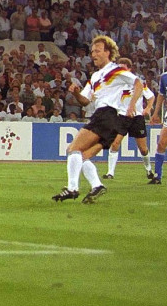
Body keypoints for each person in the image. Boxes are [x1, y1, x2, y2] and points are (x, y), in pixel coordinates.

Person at [55, 35, 134, 204]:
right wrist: (75, 92)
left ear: (108, 52)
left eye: (97, 50)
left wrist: (132, 105)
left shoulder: (116, 70)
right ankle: (97, 185)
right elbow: (84, 101)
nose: (93, 54)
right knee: (82, 156)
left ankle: (72, 188)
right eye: (92, 51)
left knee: (73, 149)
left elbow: (138, 84)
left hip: (107, 115)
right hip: (108, 119)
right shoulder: (95, 77)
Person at [103, 58, 154, 180]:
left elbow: (151, 96)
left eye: (123, 68)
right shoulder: (116, 83)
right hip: (121, 116)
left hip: (137, 117)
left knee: (143, 148)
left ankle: (149, 170)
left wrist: (147, 108)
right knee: (115, 143)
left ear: (129, 69)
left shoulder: (138, 82)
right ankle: (110, 172)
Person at [149, 52, 167, 185]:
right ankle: (158, 176)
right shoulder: (164, 77)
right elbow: (162, 96)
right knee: (161, 144)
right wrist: (155, 113)